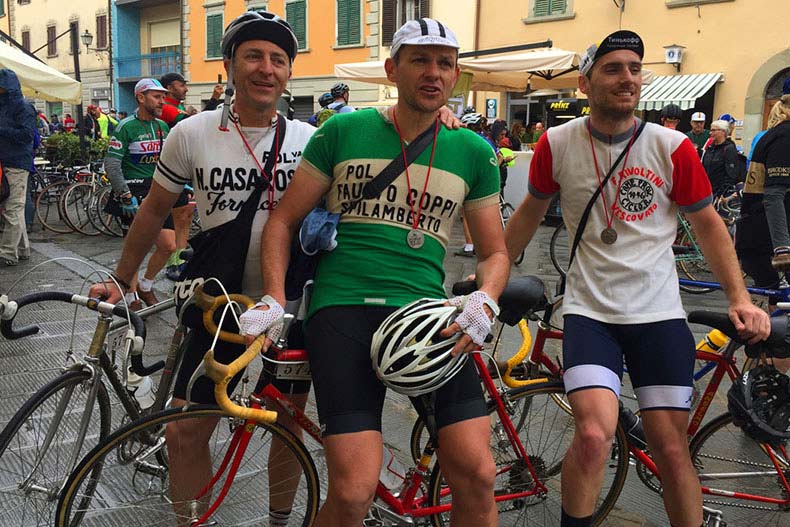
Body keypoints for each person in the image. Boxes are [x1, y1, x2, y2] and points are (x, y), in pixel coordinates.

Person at [247, 18, 509, 527]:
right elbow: (282, 219)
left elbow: (495, 253)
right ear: (392, 69)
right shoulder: (343, 130)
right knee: (352, 492)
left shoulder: (474, 152)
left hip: (428, 319)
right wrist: (274, 299)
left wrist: (485, 299)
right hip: (341, 311)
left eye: (444, 63)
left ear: (455, 76)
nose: (433, 73)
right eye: (419, 60)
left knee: (477, 475)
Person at [503, 29, 769, 527]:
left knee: (670, 447)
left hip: (658, 314)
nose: (627, 78)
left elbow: (709, 225)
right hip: (590, 313)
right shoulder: (556, 143)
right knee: (593, 433)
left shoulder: (672, 147)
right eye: (612, 68)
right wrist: (488, 283)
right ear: (585, 83)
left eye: (634, 68)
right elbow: (527, 215)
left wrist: (740, 297)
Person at [103, 78, 176, 310]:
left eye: (163, 97)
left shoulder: (162, 127)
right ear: (141, 98)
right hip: (132, 192)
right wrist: (124, 194)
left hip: (155, 191)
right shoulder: (125, 127)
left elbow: (166, 162)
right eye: (156, 96)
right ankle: (132, 296)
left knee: (168, 245)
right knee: (134, 247)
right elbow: (112, 164)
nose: (162, 101)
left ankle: (146, 284)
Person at [0, 69, 36, 267]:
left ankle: (7, 253)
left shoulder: (24, 108)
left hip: (16, 163)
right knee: (14, 208)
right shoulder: (9, 106)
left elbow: (26, 135)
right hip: (7, 161)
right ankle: (22, 249)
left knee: (12, 208)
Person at [750, 94, 790, 270]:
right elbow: (774, 193)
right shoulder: (783, 137)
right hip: (773, 232)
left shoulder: (775, 135)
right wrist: (782, 248)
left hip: (760, 227)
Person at [702, 119, 740, 197]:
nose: (710, 133)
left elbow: (731, 175)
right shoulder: (710, 147)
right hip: (707, 191)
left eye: (713, 130)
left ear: (723, 131)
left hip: (720, 194)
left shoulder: (729, 148)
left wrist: (721, 194)